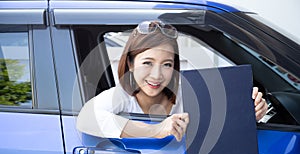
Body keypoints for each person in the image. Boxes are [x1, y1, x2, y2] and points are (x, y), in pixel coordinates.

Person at [76, 20, 268, 142]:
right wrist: (157, 130)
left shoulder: (189, 93)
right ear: (131, 64)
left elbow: (223, 121)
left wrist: (249, 114)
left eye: (167, 64)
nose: (157, 75)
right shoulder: (122, 96)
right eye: (147, 63)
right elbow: (86, 118)